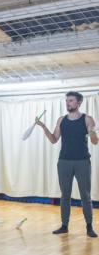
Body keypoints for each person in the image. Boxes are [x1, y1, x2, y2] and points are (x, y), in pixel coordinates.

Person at [37, 91, 98, 237]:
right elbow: (53, 139)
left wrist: (93, 132)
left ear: (78, 103)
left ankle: (89, 227)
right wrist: (43, 126)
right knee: (65, 195)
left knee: (85, 195)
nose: (67, 103)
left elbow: (95, 141)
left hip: (82, 161)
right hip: (64, 162)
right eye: (66, 101)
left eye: (70, 101)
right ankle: (64, 226)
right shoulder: (61, 120)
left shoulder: (87, 119)